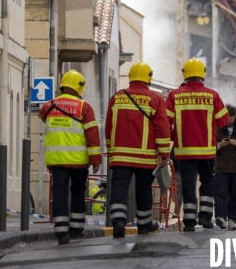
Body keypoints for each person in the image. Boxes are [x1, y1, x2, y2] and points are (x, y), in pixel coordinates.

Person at [105, 61, 171, 238]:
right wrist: (164, 153)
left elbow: (109, 126)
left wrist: (110, 149)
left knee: (119, 187)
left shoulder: (117, 97)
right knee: (144, 190)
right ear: (148, 78)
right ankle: (144, 225)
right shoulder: (155, 99)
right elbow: (162, 129)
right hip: (144, 157)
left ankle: (118, 222)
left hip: (120, 156)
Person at [38, 70, 101, 245]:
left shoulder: (49, 106)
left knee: (59, 193)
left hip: (57, 159)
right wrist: (95, 160)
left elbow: (41, 116)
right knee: (78, 192)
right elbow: (92, 135)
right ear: (79, 87)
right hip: (78, 160)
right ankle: (77, 229)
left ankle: (61, 232)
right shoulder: (84, 107)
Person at [166, 58, 229, 231]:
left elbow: (165, 122)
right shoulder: (212, 95)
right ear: (203, 74)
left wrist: (174, 135)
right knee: (207, 181)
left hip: (184, 150)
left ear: (184, 74)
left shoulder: (174, 95)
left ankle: (189, 222)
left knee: (188, 185)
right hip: (207, 151)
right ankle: (206, 218)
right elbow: (223, 120)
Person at [215, 104, 236, 230]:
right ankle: (221, 217)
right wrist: (219, 145)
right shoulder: (217, 128)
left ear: (235, 117)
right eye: (227, 117)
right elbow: (210, 146)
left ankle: (233, 219)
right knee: (222, 192)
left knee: (234, 194)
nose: (229, 120)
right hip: (221, 167)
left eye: (231, 118)